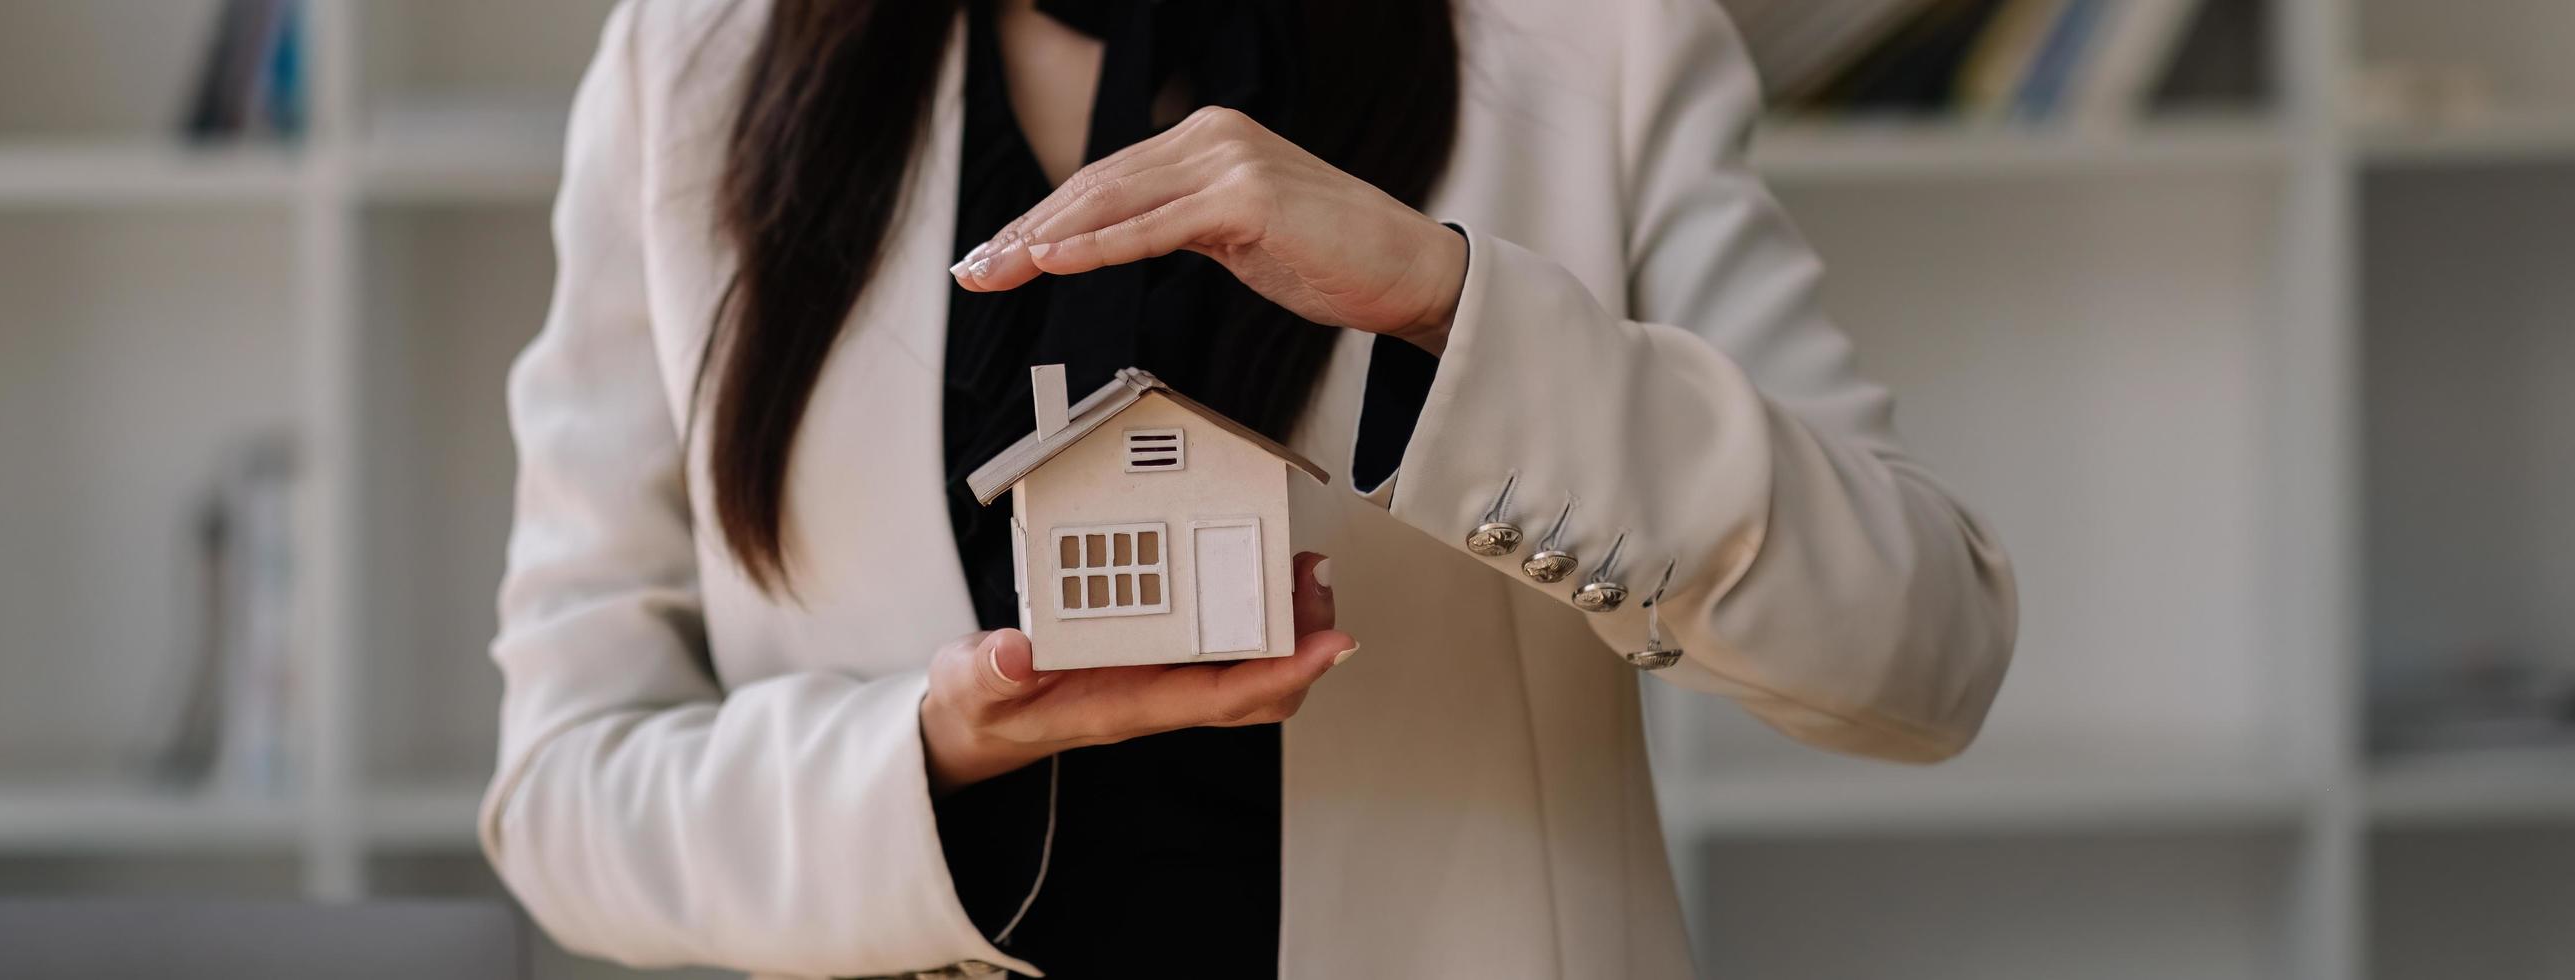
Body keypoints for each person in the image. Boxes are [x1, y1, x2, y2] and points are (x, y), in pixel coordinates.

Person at [483, 0, 2019, 977]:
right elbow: (559, 795)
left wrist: (1448, 307)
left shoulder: (1591, 39)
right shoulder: (690, 59)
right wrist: (917, 758)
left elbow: (1922, 655)